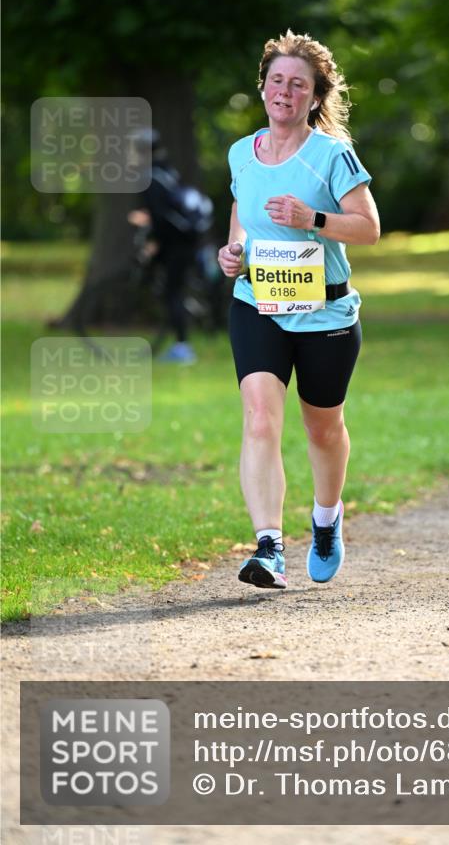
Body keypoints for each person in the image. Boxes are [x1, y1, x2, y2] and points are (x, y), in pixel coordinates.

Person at [218, 30, 380, 590]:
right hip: (257, 302)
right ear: (262, 87)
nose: (284, 91)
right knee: (260, 418)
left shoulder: (331, 156)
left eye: (298, 85)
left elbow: (369, 229)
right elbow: (241, 209)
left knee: (323, 428)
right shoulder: (243, 152)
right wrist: (233, 249)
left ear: (314, 97)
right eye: (276, 81)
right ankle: (268, 547)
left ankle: (327, 518)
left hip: (325, 314)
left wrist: (311, 218)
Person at [127, 129, 209, 364]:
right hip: (185, 239)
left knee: (173, 291)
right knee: (173, 288)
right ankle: (188, 319)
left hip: (176, 243)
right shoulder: (166, 170)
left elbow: (162, 217)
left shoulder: (150, 177)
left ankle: (183, 348)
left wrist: (154, 242)